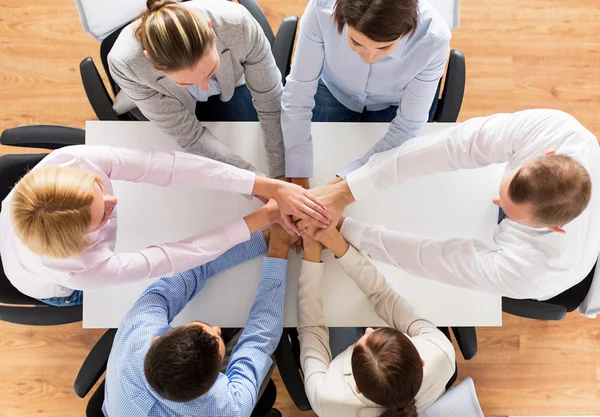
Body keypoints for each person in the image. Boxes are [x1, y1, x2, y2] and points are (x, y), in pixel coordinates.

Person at [298, 109, 600, 300]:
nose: (495, 200)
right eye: (504, 189)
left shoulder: (535, 274)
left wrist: (345, 229)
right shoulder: (559, 129)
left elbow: (433, 259)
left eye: (507, 210)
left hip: (570, 275)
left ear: (553, 228)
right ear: (545, 154)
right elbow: (454, 145)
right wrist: (348, 190)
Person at [0, 145, 329, 306]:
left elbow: (170, 168)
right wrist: (265, 217)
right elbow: (174, 257)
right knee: (105, 304)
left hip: (20, 216)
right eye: (101, 217)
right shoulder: (78, 270)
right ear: (82, 241)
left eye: (101, 191)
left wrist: (269, 188)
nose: (116, 203)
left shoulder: (71, 161)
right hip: (36, 280)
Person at [103, 223, 293, 416]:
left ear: (155, 340)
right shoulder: (230, 408)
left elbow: (193, 268)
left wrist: (265, 240)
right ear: (209, 388)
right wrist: (278, 251)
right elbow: (259, 340)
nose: (217, 328)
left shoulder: (138, 329)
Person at [281, 0, 451, 188]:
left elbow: (407, 128)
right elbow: (297, 95)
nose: (368, 58)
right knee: (326, 154)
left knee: (385, 180)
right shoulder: (321, 8)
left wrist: (337, 189)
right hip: (334, 88)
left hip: (395, 102)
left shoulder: (434, 38)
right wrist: (299, 181)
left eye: (384, 48)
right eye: (355, 42)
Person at [108, 0, 286, 178]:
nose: (205, 86)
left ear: (209, 28)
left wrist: (281, 174)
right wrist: (257, 183)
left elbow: (271, 102)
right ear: (151, 60)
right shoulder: (126, 64)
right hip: (161, 97)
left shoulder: (239, 25)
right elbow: (191, 137)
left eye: (210, 71)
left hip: (230, 83)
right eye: (186, 82)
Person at [297, 227, 455, 416]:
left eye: (363, 340)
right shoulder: (439, 352)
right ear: (421, 360)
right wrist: (339, 246)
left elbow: (311, 328)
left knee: (338, 312)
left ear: (357, 387)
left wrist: (312, 253)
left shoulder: (327, 398)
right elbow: (385, 296)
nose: (369, 329)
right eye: (376, 332)